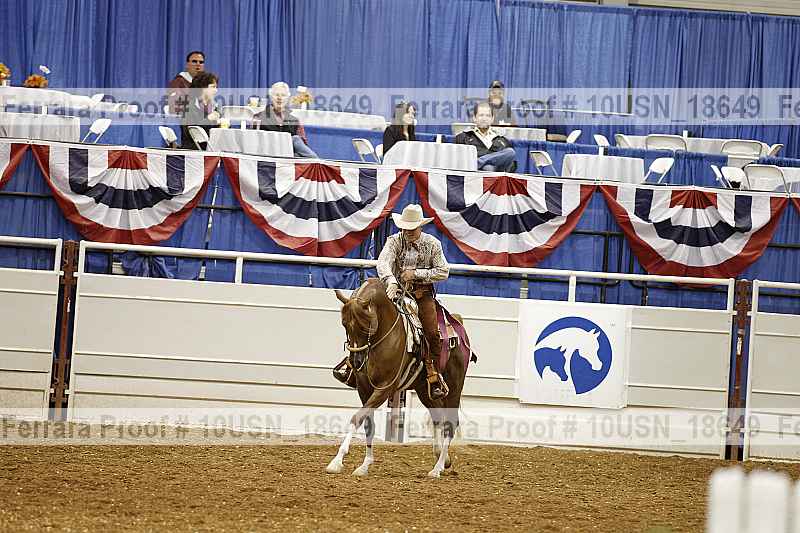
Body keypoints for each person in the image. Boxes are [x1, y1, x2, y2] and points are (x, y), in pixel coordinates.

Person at [334, 204, 450, 400]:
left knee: (431, 332)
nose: (407, 231)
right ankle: (354, 363)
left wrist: (416, 274)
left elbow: (443, 271)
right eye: (404, 228)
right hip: (392, 291)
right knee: (364, 319)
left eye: (411, 228)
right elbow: (383, 262)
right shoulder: (394, 241)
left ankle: (433, 373)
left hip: (421, 294)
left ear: (420, 226)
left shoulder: (432, 244)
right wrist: (391, 280)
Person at [255, 82, 318, 158]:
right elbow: (254, 143)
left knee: (296, 139)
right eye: (276, 95)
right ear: (271, 97)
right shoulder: (258, 117)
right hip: (268, 156)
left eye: (283, 95)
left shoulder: (295, 120)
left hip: (288, 158)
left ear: (287, 98)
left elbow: (303, 146)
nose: (280, 98)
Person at [454, 102, 517, 172]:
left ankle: (479, 162)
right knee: (488, 168)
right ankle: (480, 164)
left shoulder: (502, 140)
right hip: (475, 172)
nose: (484, 119)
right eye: (481, 115)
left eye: (488, 116)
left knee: (510, 152)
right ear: (474, 118)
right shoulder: (463, 137)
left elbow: (511, 164)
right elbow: (460, 160)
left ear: (492, 119)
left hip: (499, 173)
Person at [180, 71, 222, 150]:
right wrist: (209, 119)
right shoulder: (188, 106)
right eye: (213, 87)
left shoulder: (214, 106)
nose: (216, 90)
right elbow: (190, 132)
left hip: (211, 148)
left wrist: (221, 123)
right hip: (193, 150)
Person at [168, 51, 205, 115]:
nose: (198, 64)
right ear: (187, 65)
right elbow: (173, 107)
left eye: (201, 62)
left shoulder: (205, 83)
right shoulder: (178, 82)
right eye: (194, 61)